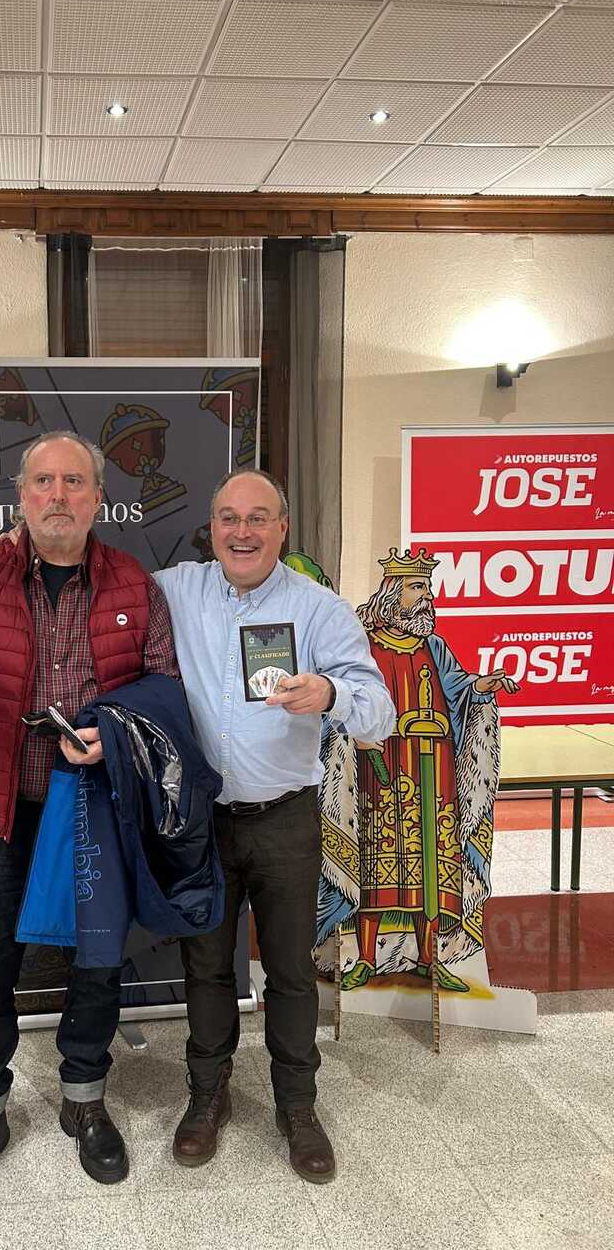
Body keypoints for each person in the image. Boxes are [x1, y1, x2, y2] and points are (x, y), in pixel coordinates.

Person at [0, 430, 178, 1213]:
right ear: (22, 495)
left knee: (96, 963)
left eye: (75, 482)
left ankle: (84, 1100)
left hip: (94, 810)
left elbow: (164, 687)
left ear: (98, 498)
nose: (59, 495)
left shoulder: (133, 583)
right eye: (44, 481)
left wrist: (117, 735)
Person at [151, 469, 395, 1183]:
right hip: (202, 822)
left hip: (285, 819)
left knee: (290, 971)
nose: (243, 531)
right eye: (229, 518)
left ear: (282, 528)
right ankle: (207, 1095)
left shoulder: (319, 610)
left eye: (259, 518)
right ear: (211, 529)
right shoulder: (177, 590)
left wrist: (331, 691)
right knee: (205, 967)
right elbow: (101, 593)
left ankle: (298, 1106)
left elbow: (379, 713)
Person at [338, 547, 518, 993]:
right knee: (375, 865)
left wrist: (482, 684)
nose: (427, 596)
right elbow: (345, 697)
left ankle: (428, 958)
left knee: (432, 869)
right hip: (381, 769)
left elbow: (457, 687)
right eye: (418, 587)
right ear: (393, 593)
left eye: (428, 588)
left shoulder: (433, 646)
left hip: (434, 774)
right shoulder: (363, 645)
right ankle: (365, 958)